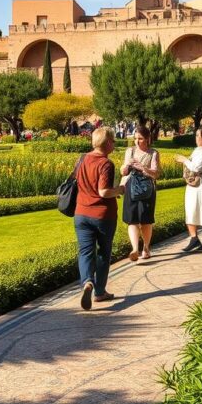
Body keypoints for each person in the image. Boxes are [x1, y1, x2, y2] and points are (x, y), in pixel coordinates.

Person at [74, 127, 125, 310]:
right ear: (108, 143)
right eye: (113, 141)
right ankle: (100, 291)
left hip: (81, 213)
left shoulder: (82, 159)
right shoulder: (106, 163)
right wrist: (119, 190)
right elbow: (103, 191)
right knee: (103, 251)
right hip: (102, 215)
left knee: (85, 251)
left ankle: (87, 282)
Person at [121, 126, 160, 261]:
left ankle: (146, 247)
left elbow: (156, 173)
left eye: (140, 138)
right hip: (131, 187)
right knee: (132, 220)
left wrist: (143, 168)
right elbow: (123, 172)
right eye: (135, 138)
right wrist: (126, 166)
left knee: (145, 220)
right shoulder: (130, 151)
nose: (137, 141)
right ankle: (135, 249)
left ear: (148, 139)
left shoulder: (153, 153)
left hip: (146, 189)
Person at [176, 126, 202, 251]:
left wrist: (184, 160)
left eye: (199, 135)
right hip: (193, 183)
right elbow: (192, 167)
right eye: (196, 135)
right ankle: (194, 238)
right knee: (190, 209)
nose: (197, 138)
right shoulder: (197, 150)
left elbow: (197, 168)